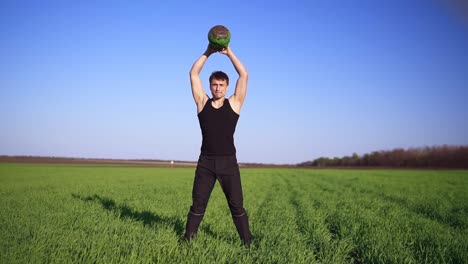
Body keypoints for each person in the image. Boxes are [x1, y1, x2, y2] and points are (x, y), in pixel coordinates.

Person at [184, 43, 251, 246]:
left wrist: (228, 52)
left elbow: (244, 74)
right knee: (198, 203)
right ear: (210, 85)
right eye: (214, 84)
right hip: (206, 162)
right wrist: (208, 51)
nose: (217, 88)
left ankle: (248, 242)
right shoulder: (202, 102)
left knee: (236, 206)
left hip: (228, 163)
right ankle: (187, 241)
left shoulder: (235, 104)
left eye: (221, 85)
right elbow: (193, 73)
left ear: (227, 87)